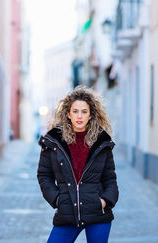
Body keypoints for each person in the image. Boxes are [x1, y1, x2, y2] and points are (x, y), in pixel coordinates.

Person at [37, 85, 119, 243]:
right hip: (67, 213)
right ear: (68, 114)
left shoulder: (102, 142)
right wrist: (57, 200)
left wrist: (105, 201)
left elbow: (110, 178)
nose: (79, 116)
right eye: (75, 111)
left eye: (84, 111)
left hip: (98, 214)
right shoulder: (53, 141)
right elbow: (44, 175)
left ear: (90, 115)